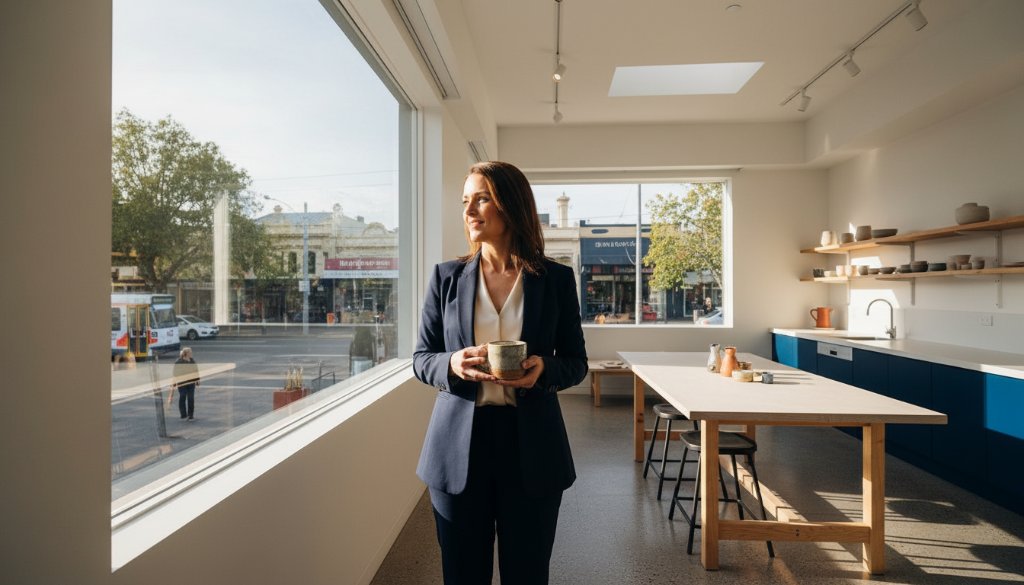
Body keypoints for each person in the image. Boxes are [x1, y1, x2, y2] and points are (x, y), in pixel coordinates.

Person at [413, 161, 588, 585]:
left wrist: (544, 369)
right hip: (458, 450)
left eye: (482, 198)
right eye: (465, 201)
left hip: (532, 446)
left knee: (527, 574)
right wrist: (451, 363)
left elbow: (576, 362)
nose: (469, 211)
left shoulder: (556, 280)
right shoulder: (446, 279)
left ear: (510, 205)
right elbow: (422, 358)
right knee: (462, 575)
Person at [173, 347, 200, 421]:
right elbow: (175, 373)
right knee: (182, 396)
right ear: (186, 353)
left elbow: (196, 370)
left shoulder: (192, 361)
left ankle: (190, 415)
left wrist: (197, 379)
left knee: (191, 398)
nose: (191, 353)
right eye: (190, 352)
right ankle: (183, 415)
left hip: (191, 382)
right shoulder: (179, 361)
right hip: (182, 382)